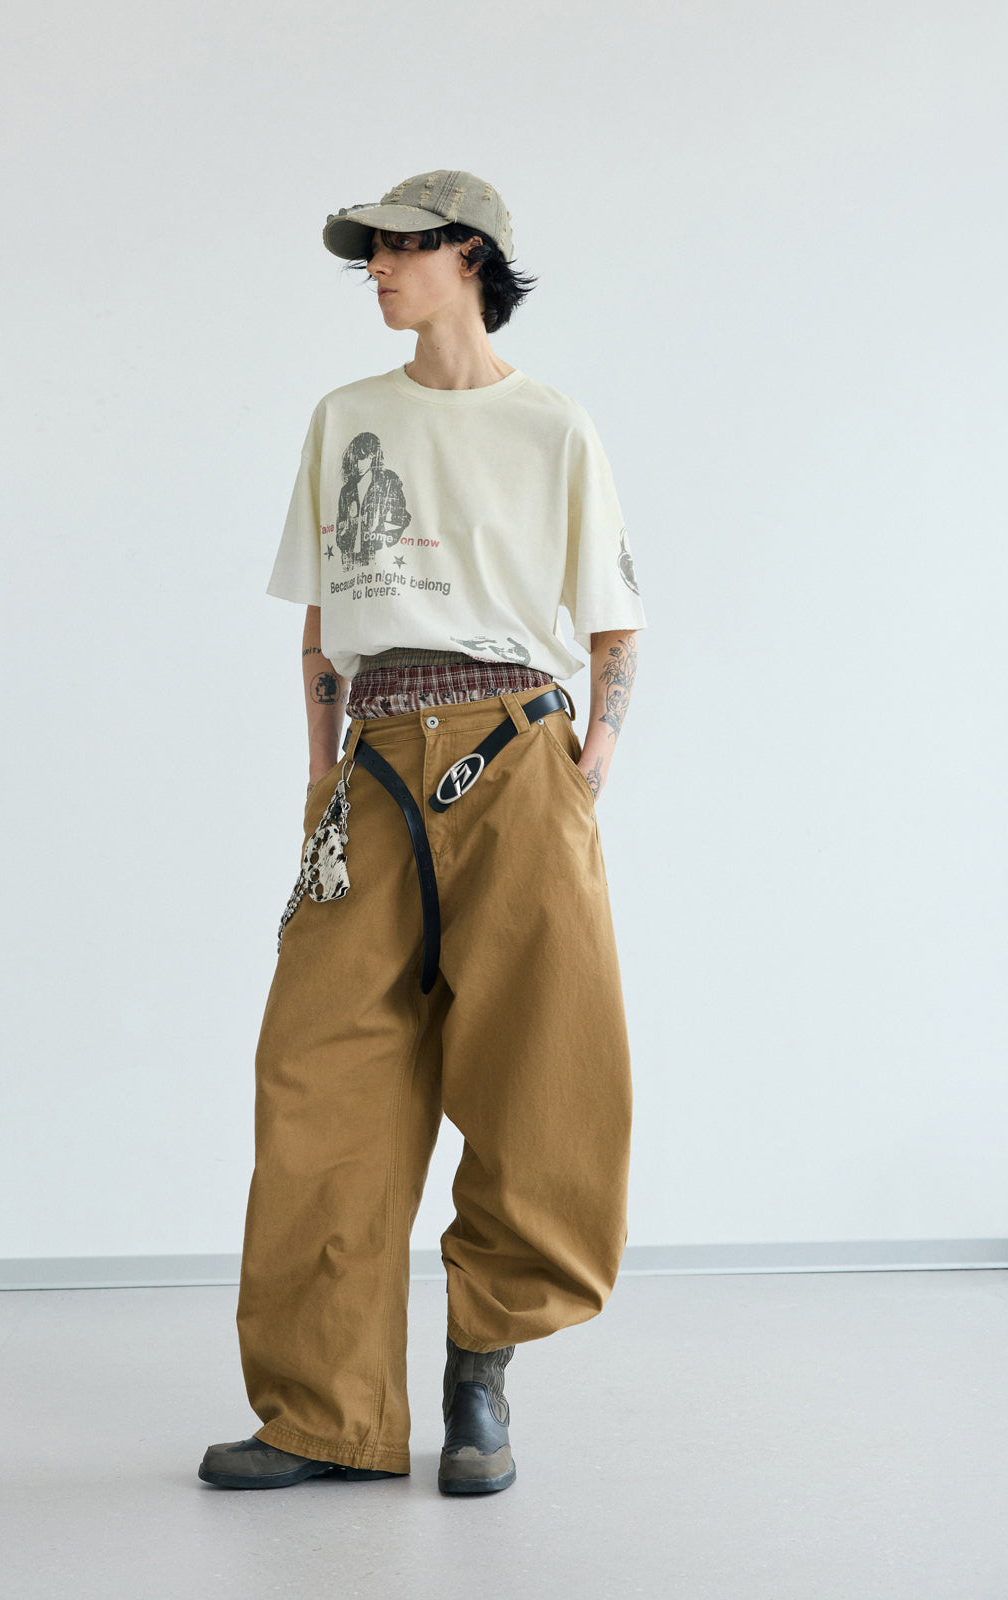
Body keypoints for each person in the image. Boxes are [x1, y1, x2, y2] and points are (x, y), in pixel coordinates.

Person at [198, 169, 647, 1497]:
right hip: (379, 760)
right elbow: (321, 626)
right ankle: (323, 1414)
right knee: (318, 1073)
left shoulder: (554, 425)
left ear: (469, 257)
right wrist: (320, 782)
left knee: (541, 1075)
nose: (377, 272)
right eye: (372, 254)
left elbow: (614, 623)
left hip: (519, 752)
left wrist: (588, 768)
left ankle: (480, 1376)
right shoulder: (346, 417)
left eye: (398, 249)